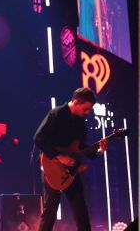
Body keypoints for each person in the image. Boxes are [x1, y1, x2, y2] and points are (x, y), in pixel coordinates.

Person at [34, 87, 108, 231]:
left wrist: (99, 150)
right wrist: (60, 157)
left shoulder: (80, 121)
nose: (87, 113)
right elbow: (39, 138)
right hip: (52, 167)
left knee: (81, 211)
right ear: (76, 102)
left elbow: (81, 148)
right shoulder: (56, 114)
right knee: (50, 212)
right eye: (85, 109)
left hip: (72, 171)